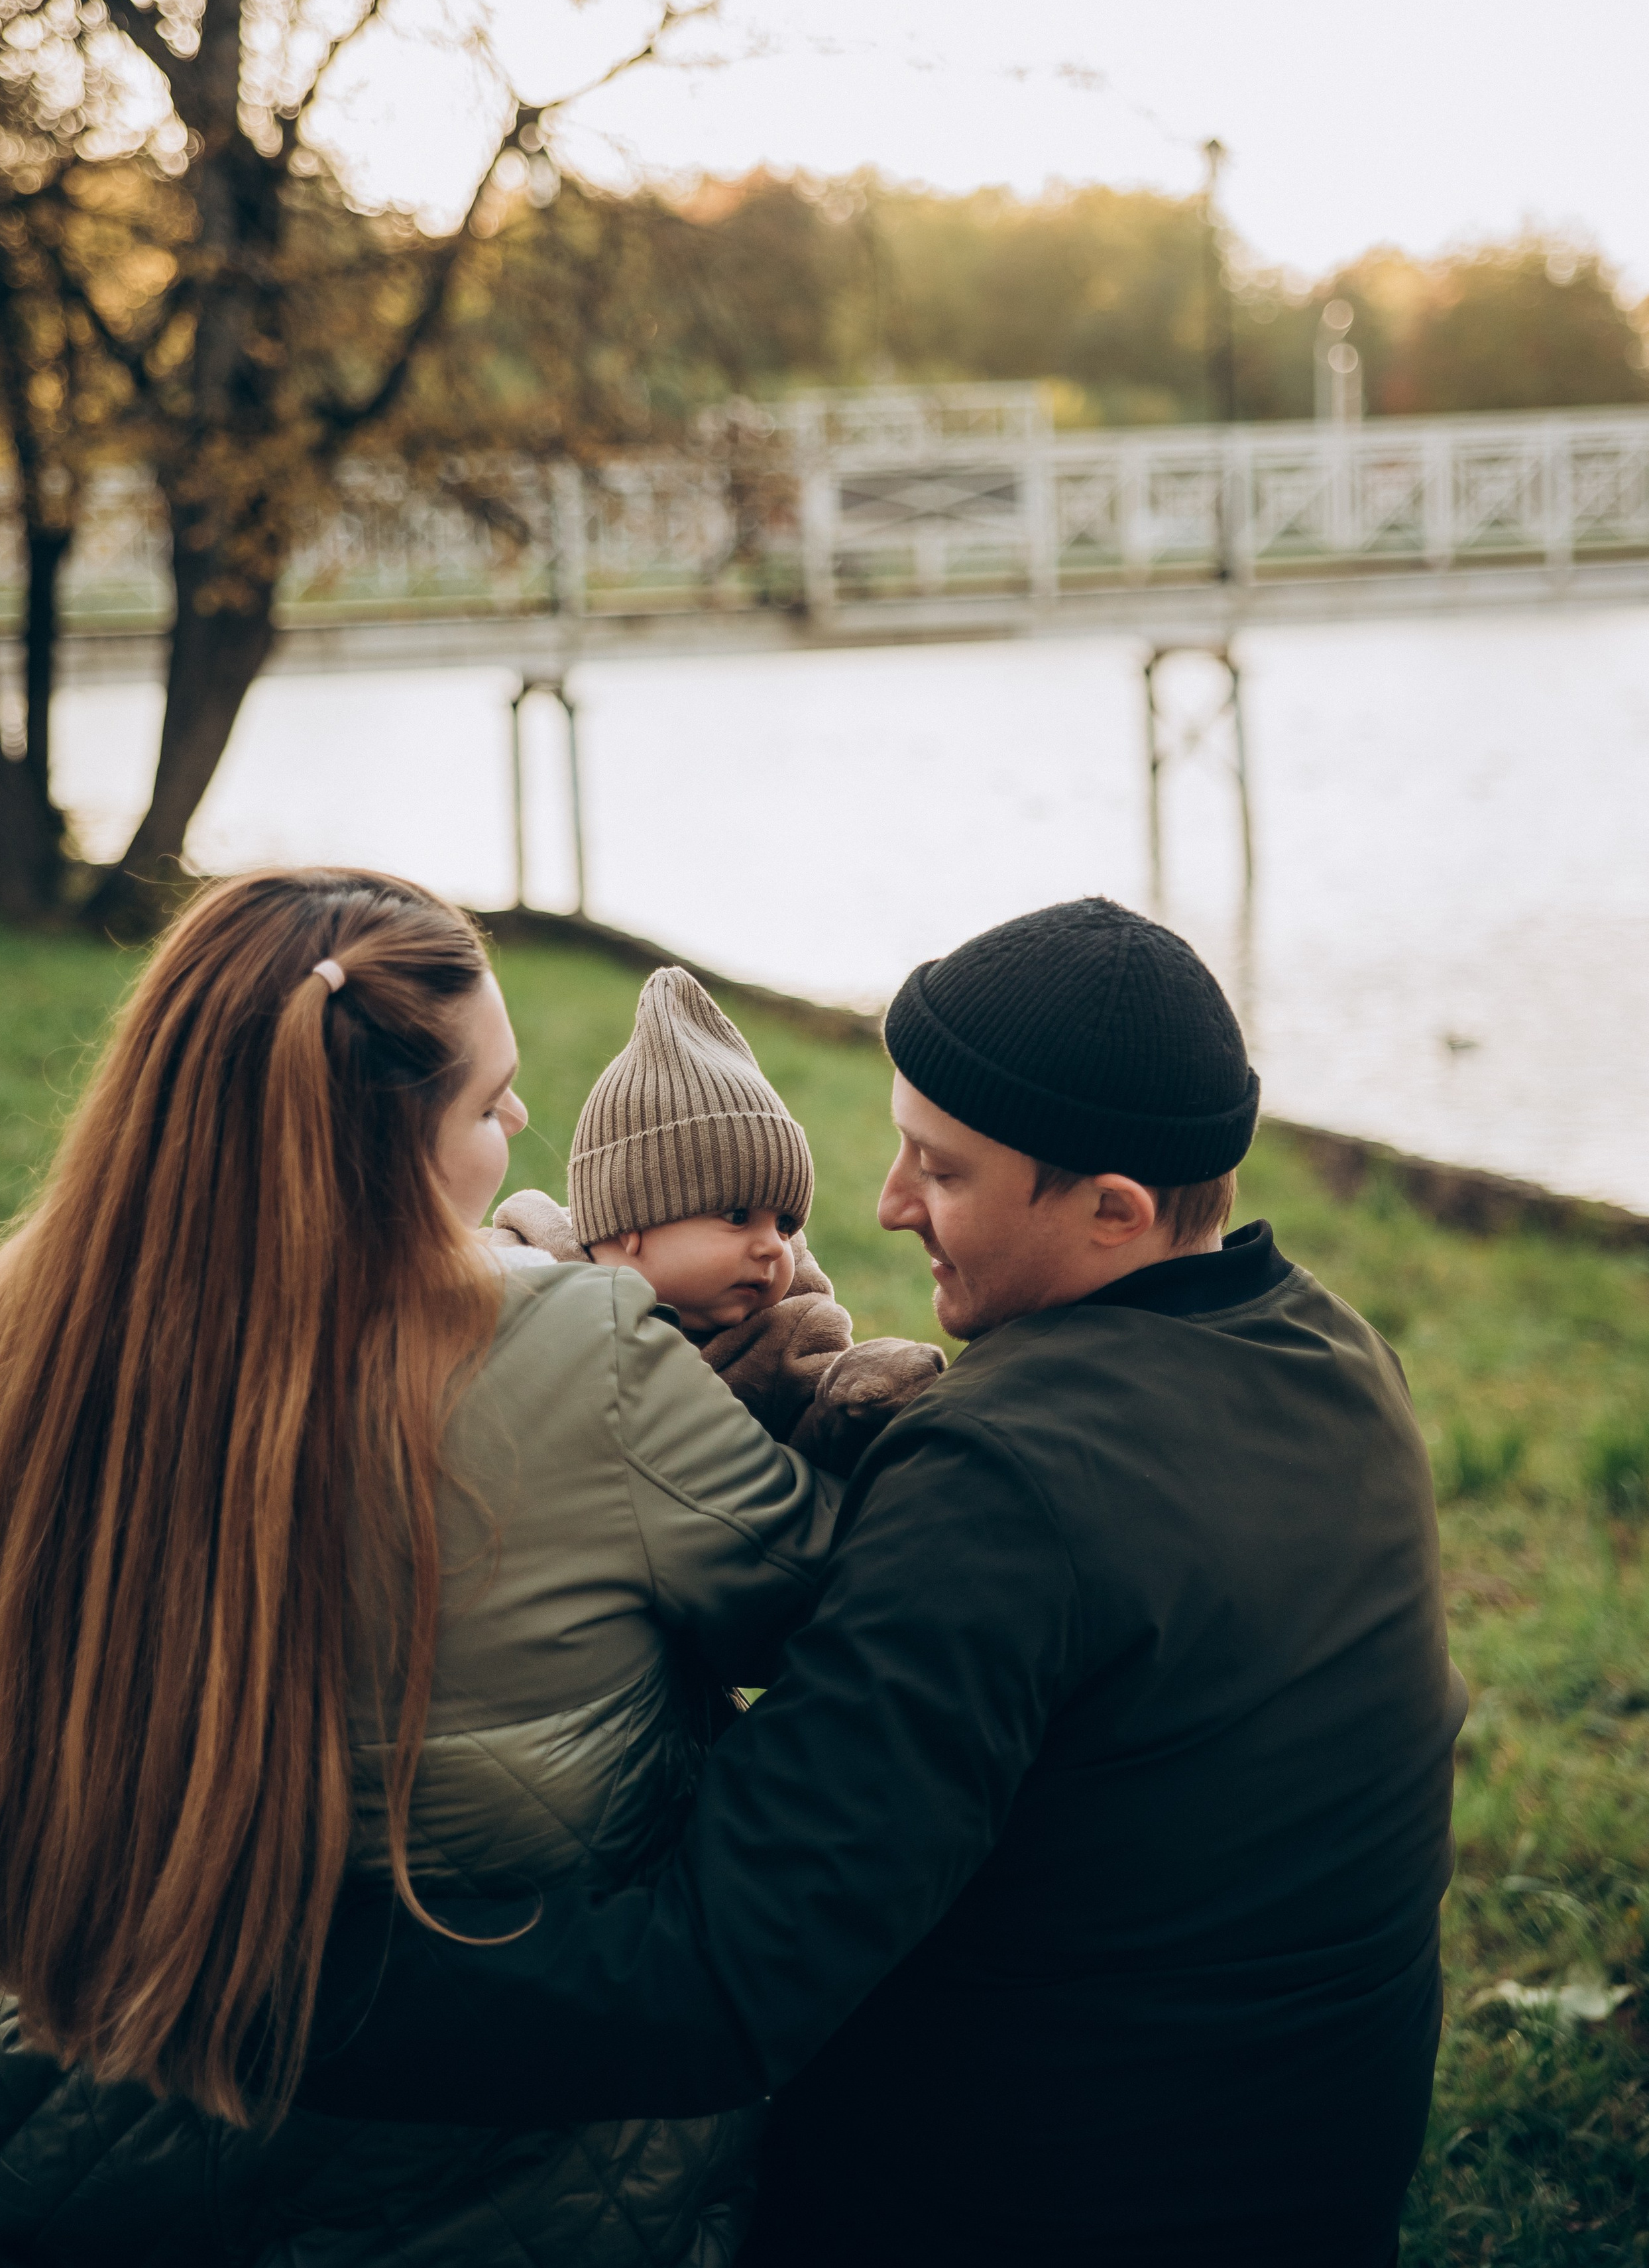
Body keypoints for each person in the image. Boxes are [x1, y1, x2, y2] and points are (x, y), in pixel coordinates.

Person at [298, 896, 1467, 2268]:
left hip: (1033, 2210)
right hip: (1310, 2186)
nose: (884, 1205)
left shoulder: (1003, 1480)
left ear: (1111, 1210)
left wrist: (272, 1996)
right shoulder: (1327, 1354)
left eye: (944, 1173)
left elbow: (719, 1977)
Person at [0, 866, 842, 2267]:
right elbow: (816, 1602)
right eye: (490, 1105)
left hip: (78, 2084)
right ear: (380, 1143)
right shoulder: (582, 1353)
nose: (524, 1123)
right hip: (511, 2151)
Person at [492, 964, 943, 1464]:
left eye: (785, 1223)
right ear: (632, 1219)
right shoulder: (524, 1280)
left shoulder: (784, 1339)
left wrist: (851, 1406)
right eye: (737, 1215)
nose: (775, 1245)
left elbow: (813, 1448)